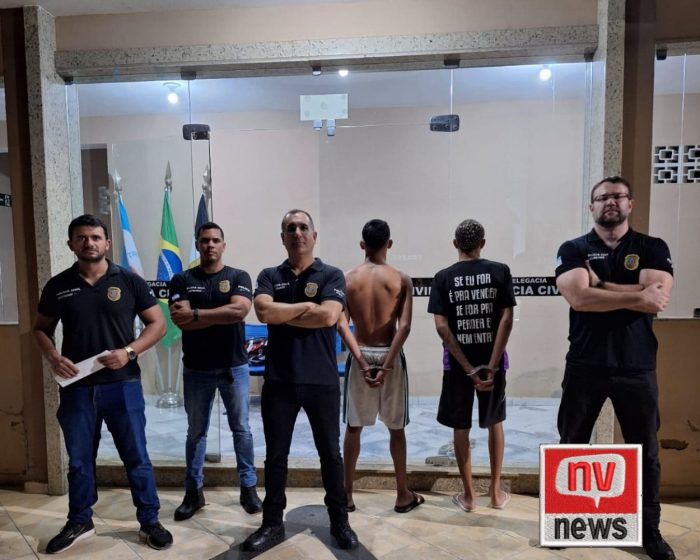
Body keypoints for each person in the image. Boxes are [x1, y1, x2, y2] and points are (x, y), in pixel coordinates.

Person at [33, 214, 173, 554]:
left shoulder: (128, 280)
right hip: (77, 387)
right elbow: (40, 329)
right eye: (81, 237)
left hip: (122, 384)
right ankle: (80, 520)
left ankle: (149, 521)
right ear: (71, 244)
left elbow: (158, 324)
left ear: (107, 243)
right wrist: (52, 356)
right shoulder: (58, 285)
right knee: (80, 461)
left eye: (96, 237)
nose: (89, 243)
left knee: (136, 457)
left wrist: (129, 352)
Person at [555, 176, 675, 560]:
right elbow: (578, 298)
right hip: (585, 364)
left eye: (618, 196)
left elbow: (656, 300)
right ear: (590, 206)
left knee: (646, 453)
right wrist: (636, 292)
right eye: (602, 197)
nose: (611, 201)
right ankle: (565, 523)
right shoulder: (573, 249)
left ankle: (650, 532)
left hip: (636, 366)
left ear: (630, 204)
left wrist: (602, 286)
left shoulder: (652, 247)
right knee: (571, 445)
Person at [242, 209, 358, 553]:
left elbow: (330, 316)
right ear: (283, 237)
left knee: (330, 456)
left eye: (303, 227)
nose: (297, 232)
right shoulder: (269, 275)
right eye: (290, 228)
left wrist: (285, 312)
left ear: (314, 235)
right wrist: (308, 307)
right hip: (279, 381)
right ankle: (272, 523)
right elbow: (264, 312)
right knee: (276, 457)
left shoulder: (331, 274)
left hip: (321, 380)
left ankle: (339, 522)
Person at [168, 222, 262, 520]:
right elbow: (180, 320)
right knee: (196, 433)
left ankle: (248, 489)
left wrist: (196, 313)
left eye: (215, 240)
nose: (210, 245)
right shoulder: (181, 279)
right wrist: (220, 316)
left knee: (241, 430)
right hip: (196, 369)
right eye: (205, 240)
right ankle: (193, 493)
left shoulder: (238, 276)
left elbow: (239, 311)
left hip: (234, 367)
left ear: (224, 245)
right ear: (198, 245)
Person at [428, 219, 515, 512]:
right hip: (494, 366)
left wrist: (467, 367)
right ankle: (495, 492)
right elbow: (506, 320)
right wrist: (491, 365)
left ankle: (469, 496)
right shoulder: (500, 271)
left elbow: (441, 327)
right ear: (483, 243)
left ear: (455, 244)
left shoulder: (443, 277)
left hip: (456, 367)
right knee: (495, 422)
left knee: (460, 426)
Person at [336, 219, 423, 513]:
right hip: (390, 355)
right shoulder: (402, 279)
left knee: (354, 427)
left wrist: (362, 362)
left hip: (359, 352)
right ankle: (402, 495)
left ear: (362, 244)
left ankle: (347, 495)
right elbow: (405, 327)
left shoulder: (347, 279)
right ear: (390, 244)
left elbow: (341, 324)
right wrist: (385, 365)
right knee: (396, 429)